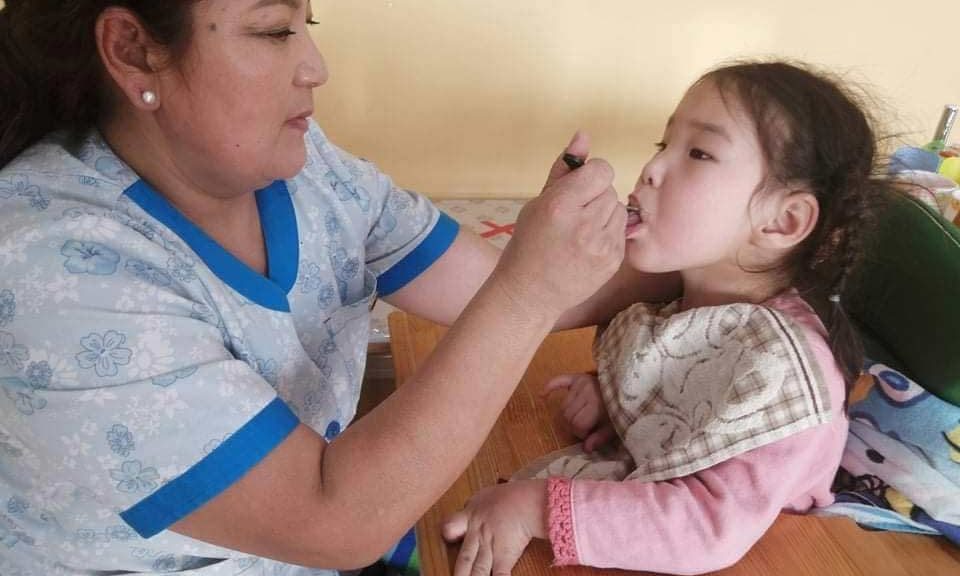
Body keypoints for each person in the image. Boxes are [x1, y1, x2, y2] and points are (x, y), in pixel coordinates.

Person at [0, 1, 679, 575]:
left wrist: (706, 258)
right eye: (273, 30)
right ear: (133, 49)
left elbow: (494, 287)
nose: (315, 67)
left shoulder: (303, 168)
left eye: (309, 20)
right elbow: (334, 517)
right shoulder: (50, 266)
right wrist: (529, 290)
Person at [442, 60, 894, 575]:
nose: (651, 170)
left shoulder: (781, 367)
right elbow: (691, 383)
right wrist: (617, 397)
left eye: (699, 153)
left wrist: (533, 508)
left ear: (782, 220)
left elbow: (706, 527)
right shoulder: (692, 299)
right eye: (663, 146)